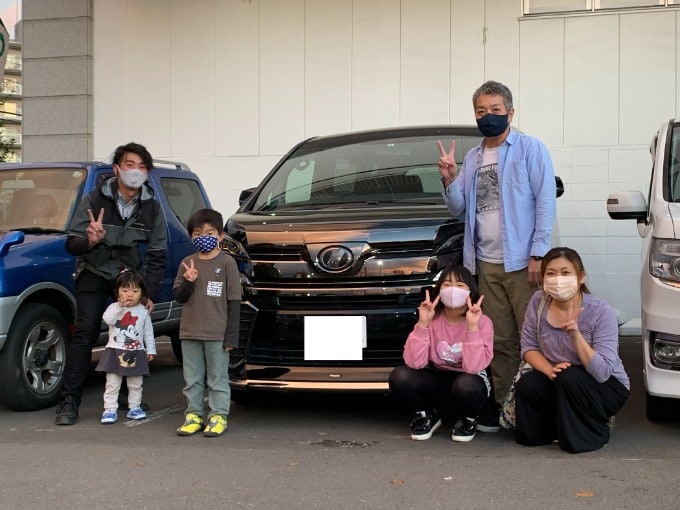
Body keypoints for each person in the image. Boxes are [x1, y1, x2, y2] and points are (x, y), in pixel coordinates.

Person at [437, 80, 556, 431]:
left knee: (535, 337)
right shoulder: (473, 158)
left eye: (495, 111)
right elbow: (459, 209)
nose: (488, 117)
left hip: (523, 263)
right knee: (501, 340)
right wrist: (449, 178)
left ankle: (540, 410)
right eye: (481, 111)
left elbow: (545, 203)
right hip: (485, 263)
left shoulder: (531, 149)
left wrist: (538, 254)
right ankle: (508, 410)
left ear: (510, 112)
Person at [56, 142, 167, 426]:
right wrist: (89, 240)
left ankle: (124, 397)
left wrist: (148, 292)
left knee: (129, 333)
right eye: (130, 165)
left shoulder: (152, 208)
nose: (136, 171)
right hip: (93, 270)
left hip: (128, 276)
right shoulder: (94, 200)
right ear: (117, 169)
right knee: (86, 332)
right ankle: (69, 401)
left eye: (143, 167)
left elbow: (157, 253)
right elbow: (72, 243)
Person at [515, 247, 629, 453]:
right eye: (550, 273)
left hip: (605, 386)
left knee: (569, 376)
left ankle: (593, 434)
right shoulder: (538, 301)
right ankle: (548, 432)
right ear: (542, 278)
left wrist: (576, 335)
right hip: (561, 378)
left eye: (566, 272)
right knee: (530, 382)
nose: (558, 279)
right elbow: (528, 346)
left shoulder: (601, 312)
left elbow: (603, 373)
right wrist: (549, 370)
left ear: (581, 277)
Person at [388, 265, 493, 442]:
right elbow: (414, 363)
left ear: (471, 292)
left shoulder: (483, 322)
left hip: (467, 381)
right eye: (447, 285)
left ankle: (468, 419)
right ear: (439, 291)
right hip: (435, 380)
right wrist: (423, 324)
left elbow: (473, 367)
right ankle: (425, 416)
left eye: (460, 285)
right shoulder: (433, 319)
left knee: (468, 384)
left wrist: (472, 328)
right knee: (400, 375)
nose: (453, 290)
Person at [174, 208, 241, 437]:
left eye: (210, 232)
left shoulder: (228, 263)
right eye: (197, 233)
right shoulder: (186, 263)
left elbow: (234, 302)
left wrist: (232, 335)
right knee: (191, 379)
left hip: (217, 333)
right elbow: (179, 297)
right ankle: (193, 415)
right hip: (189, 332)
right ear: (191, 236)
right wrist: (188, 281)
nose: (203, 237)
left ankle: (218, 416)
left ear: (220, 236)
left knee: (217, 377)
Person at [96, 270, 156, 424]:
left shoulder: (143, 310)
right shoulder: (114, 307)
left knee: (136, 383)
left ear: (142, 292)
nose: (130, 294)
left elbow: (148, 332)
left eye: (135, 291)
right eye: (125, 290)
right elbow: (108, 320)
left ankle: (134, 407)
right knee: (112, 383)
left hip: (136, 350)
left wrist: (150, 349)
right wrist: (120, 308)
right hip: (115, 350)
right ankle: (109, 409)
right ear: (117, 292)